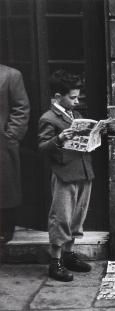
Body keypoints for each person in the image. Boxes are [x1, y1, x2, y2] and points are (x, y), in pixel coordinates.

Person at [38, 70, 95, 282]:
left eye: (77, 96)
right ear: (57, 97)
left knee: (77, 218)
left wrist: (96, 133)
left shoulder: (76, 116)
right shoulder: (48, 118)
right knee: (61, 218)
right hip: (64, 175)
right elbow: (42, 148)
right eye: (72, 97)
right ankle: (55, 262)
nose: (77, 101)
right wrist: (59, 138)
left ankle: (69, 255)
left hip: (82, 171)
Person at [0, 64, 30, 259]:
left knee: (4, 189)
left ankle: (4, 232)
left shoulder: (11, 75)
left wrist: (10, 137)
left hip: (2, 145)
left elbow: (21, 109)